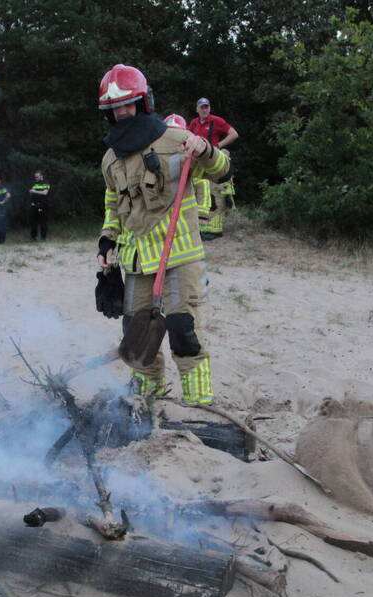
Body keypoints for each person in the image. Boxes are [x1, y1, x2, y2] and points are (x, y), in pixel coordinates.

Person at [95, 64, 232, 405]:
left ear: (143, 103)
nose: (122, 112)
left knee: (183, 332)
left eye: (127, 104)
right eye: (114, 108)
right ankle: (147, 395)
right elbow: (114, 204)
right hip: (137, 263)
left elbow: (222, 170)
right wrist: (107, 239)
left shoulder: (177, 141)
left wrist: (206, 150)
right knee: (136, 334)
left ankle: (199, 403)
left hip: (179, 257)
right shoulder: (110, 159)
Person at [187, 98, 237, 240]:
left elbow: (234, 134)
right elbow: (187, 136)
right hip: (198, 163)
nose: (204, 109)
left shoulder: (216, 121)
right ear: (197, 109)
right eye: (202, 107)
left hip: (213, 162)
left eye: (206, 107)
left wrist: (219, 146)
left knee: (216, 194)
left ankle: (215, 230)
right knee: (201, 194)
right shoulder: (194, 123)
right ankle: (203, 227)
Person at [29, 171, 51, 241]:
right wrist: (31, 193)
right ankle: (33, 237)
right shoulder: (34, 183)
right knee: (33, 222)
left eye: (37, 177)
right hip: (34, 205)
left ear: (41, 176)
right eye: (35, 177)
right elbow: (31, 192)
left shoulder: (46, 183)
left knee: (43, 222)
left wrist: (34, 191)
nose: (36, 178)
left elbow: (45, 193)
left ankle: (43, 238)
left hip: (42, 205)